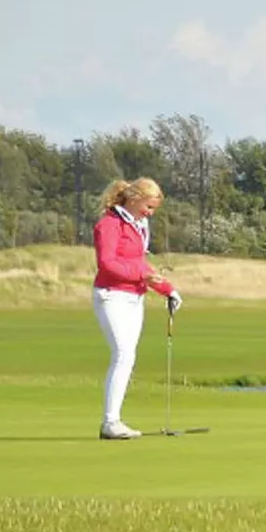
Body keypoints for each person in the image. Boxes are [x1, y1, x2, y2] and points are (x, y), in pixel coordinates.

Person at [92, 178, 181, 439]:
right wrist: (141, 276)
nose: (150, 213)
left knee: (128, 356)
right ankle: (110, 422)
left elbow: (141, 264)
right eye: (148, 207)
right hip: (111, 296)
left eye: (153, 209)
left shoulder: (139, 226)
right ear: (134, 199)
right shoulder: (108, 224)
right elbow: (107, 264)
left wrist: (168, 289)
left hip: (134, 298)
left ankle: (113, 421)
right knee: (122, 353)